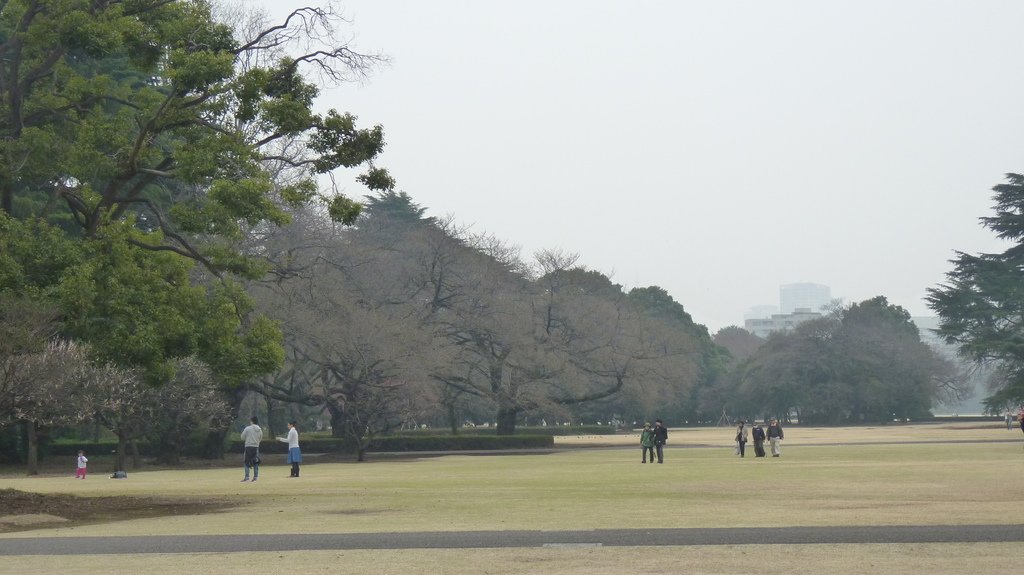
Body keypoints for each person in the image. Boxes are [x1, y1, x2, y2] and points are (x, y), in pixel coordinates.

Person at [241, 416, 263, 482]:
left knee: (246, 462)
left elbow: (242, 437)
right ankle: (255, 477)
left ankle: (247, 477)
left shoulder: (247, 428)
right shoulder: (260, 430)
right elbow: (260, 438)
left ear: (252, 421)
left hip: (248, 447)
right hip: (256, 447)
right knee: (255, 462)